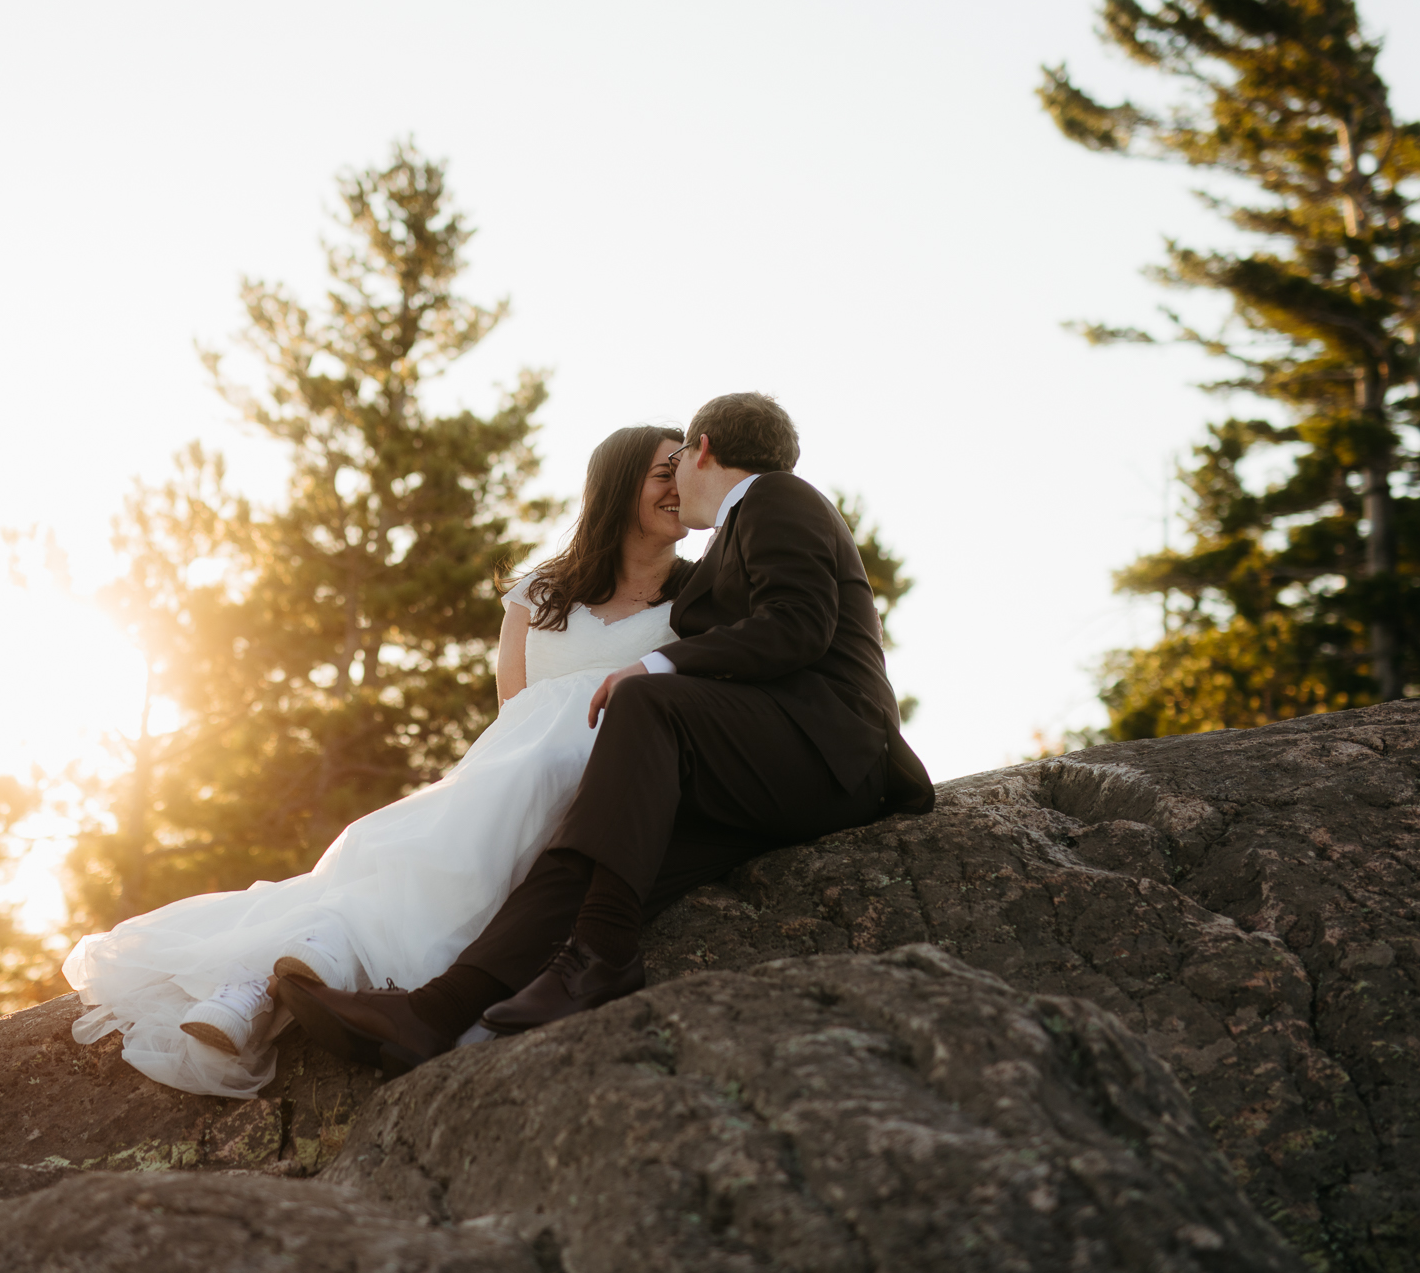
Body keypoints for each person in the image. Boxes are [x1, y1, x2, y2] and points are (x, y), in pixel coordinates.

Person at [277, 392, 934, 1074]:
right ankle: (433, 1013)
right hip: (775, 775)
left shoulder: (776, 497)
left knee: (647, 703)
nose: (675, 485)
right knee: (588, 855)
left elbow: (796, 627)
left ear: (700, 450)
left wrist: (654, 663)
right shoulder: (725, 552)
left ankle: (604, 958)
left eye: (675, 463)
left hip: (834, 751)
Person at [62, 424, 695, 1097]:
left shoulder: (697, 597)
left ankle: (277, 975)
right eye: (665, 472)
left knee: (448, 857)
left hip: (599, 775)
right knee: (389, 843)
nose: (681, 486)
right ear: (619, 484)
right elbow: (515, 706)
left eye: (685, 471)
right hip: (510, 764)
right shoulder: (541, 590)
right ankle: (261, 981)